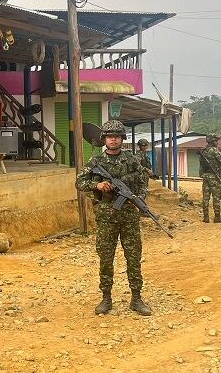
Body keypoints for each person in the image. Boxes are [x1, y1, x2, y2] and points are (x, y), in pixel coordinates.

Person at [76, 120, 152, 316]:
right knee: (106, 259)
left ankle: (136, 298)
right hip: (106, 218)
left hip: (129, 217)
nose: (113, 140)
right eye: (110, 137)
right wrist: (98, 186)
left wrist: (139, 199)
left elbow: (143, 182)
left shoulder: (132, 160)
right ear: (105, 139)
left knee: (133, 258)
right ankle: (106, 298)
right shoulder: (96, 163)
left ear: (122, 139)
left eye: (117, 137)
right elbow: (80, 182)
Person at [199, 133, 221, 223]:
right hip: (214, 177)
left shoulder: (203, 151)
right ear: (212, 141)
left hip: (206, 176)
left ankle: (206, 217)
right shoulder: (214, 150)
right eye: (216, 141)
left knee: (205, 197)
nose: (217, 143)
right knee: (216, 197)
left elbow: (201, 165)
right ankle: (217, 217)